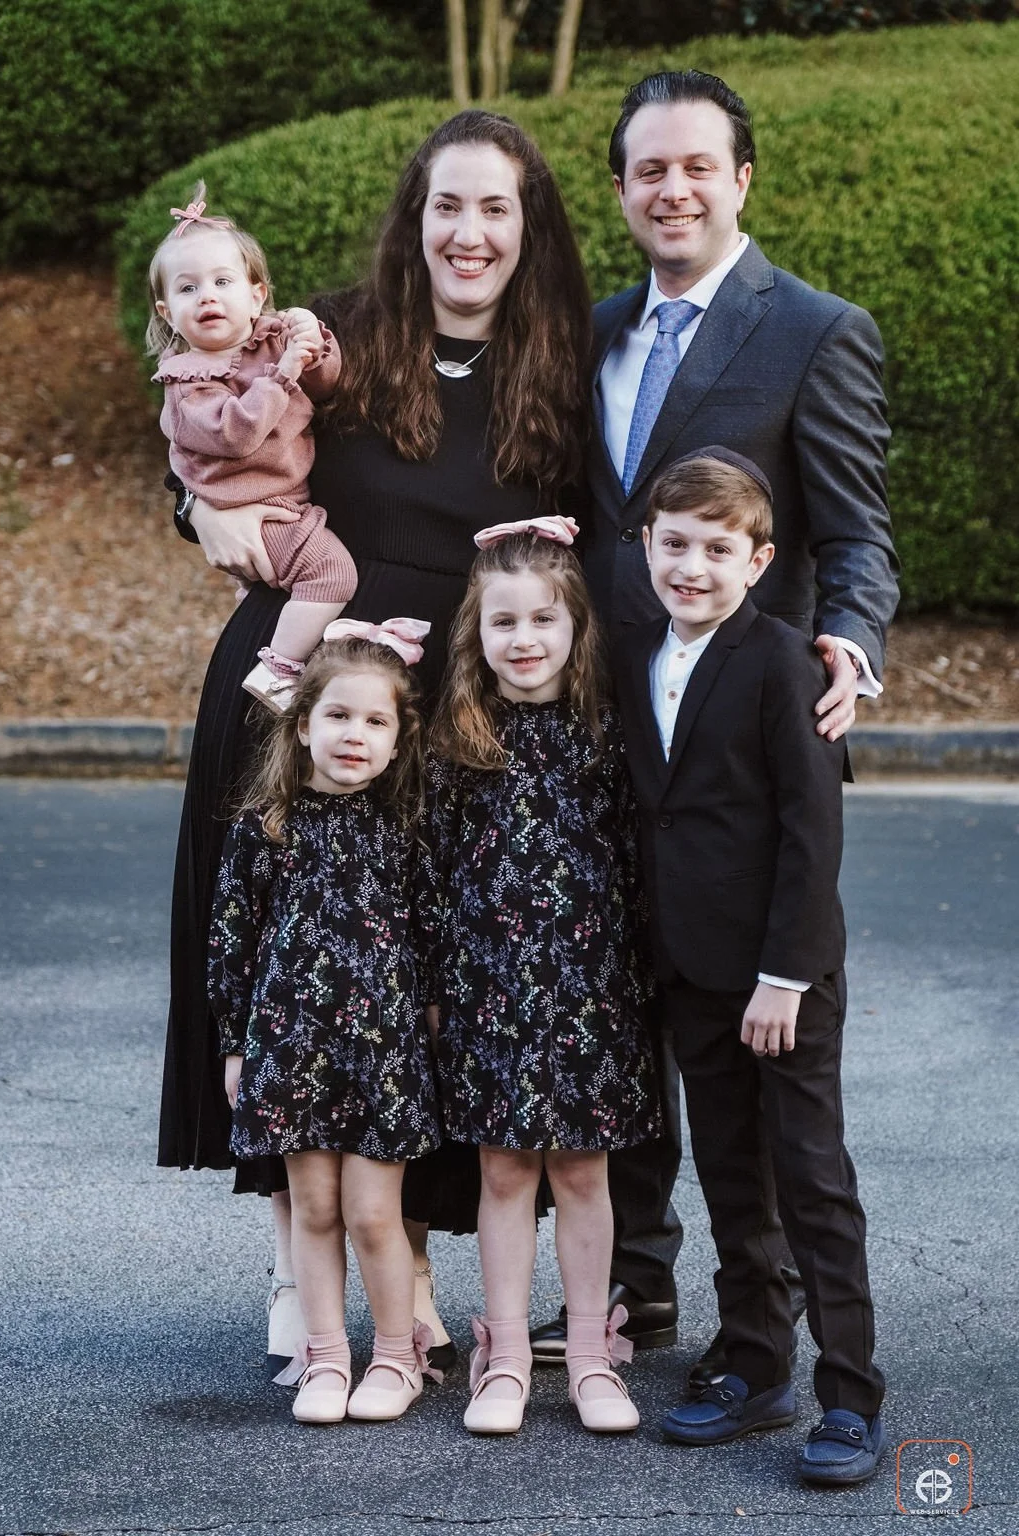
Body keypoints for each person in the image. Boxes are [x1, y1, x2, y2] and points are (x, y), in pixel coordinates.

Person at [158, 110, 592, 1373]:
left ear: (529, 226)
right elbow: (206, 420)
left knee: (416, 985)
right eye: (446, 204)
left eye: (496, 207)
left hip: (457, 701)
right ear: (415, 216)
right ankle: (294, 1274)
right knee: (289, 974)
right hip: (305, 688)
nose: (468, 231)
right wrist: (192, 507)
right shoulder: (333, 334)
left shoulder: (563, 362)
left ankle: (405, 1269)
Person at [531, 67, 899, 1374]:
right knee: (627, 1014)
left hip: (743, 745)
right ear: (621, 189)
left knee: (756, 1067)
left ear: (741, 179)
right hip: (603, 736)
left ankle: (771, 1319)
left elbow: (854, 531)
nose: (673, 189)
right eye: (650, 170)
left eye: (698, 166)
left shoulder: (814, 330)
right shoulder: (589, 333)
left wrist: (848, 642)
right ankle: (637, 1286)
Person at [619, 448, 886, 1485]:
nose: (692, 567)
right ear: (646, 544)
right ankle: (756, 1360)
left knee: (810, 1180)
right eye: (674, 544)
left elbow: (811, 834)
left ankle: (850, 1395)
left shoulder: (784, 665)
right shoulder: (633, 652)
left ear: (759, 561)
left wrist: (785, 975)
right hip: (691, 968)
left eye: (716, 551)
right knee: (730, 1172)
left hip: (783, 976)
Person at [417, 519, 660, 1435]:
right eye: (503, 621)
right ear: (475, 633)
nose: (524, 639)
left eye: (543, 619)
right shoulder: (457, 741)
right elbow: (430, 874)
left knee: (585, 1172)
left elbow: (637, 865)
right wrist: (434, 991)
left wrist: (645, 983)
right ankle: (508, 1354)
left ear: (576, 626)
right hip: (488, 990)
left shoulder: (610, 732)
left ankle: (593, 1355)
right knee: (506, 1169)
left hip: (594, 989)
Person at [208, 623, 443, 1425]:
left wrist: (433, 1037)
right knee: (313, 1210)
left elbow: (431, 940)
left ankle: (396, 1357)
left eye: (376, 721)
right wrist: (235, 1046)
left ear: (398, 738)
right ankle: (326, 1358)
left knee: (374, 1215)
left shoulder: (406, 829)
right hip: (291, 1049)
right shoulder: (264, 827)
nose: (355, 735)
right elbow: (231, 943)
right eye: (338, 716)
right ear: (303, 723)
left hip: (382, 1056)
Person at [148, 183, 357, 713]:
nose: (208, 296)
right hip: (252, 509)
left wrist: (312, 342)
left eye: (222, 281)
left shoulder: (270, 340)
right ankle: (280, 670)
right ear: (167, 312)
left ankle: (269, 635)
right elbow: (236, 435)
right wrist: (282, 375)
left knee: (278, 592)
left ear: (257, 293)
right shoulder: (187, 384)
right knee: (333, 574)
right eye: (188, 289)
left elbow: (327, 386)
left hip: (284, 501)